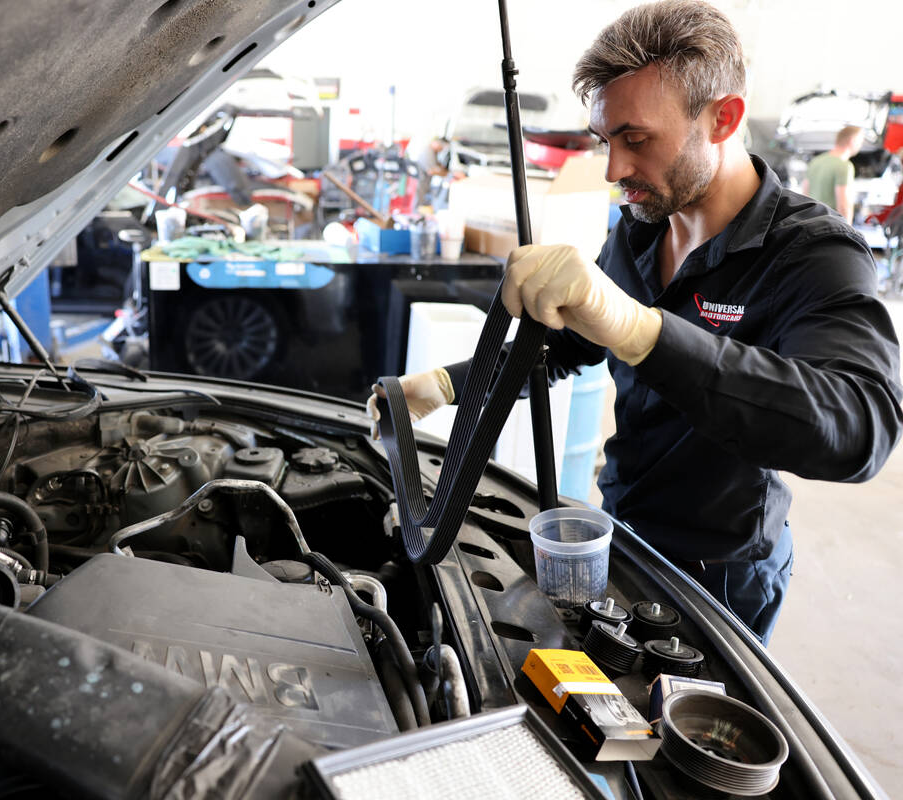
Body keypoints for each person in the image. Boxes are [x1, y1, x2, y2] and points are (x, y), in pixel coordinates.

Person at [369, 0, 902, 645]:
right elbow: (566, 342)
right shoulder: (639, 228)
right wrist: (449, 385)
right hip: (620, 532)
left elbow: (859, 425)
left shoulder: (811, 254)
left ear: (723, 117)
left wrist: (641, 331)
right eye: (606, 140)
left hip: (721, 574)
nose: (614, 169)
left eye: (637, 139)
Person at [802, 125, 864, 222]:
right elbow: (844, 205)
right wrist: (848, 233)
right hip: (831, 226)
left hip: (811, 223)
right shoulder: (844, 166)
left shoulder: (815, 162)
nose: (860, 145)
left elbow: (805, 195)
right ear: (852, 140)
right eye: (860, 141)